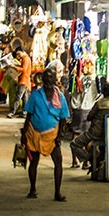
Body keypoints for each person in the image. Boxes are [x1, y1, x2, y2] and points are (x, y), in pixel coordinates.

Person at [22, 67, 70, 201]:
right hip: (35, 133)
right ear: (42, 79)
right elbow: (29, 115)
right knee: (33, 162)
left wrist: (59, 136)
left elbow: (63, 118)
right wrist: (24, 133)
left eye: (51, 77)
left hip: (52, 135)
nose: (48, 80)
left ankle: (57, 193)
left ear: (55, 79)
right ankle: (32, 189)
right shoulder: (35, 95)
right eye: (46, 77)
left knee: (58, 162)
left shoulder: (60, 97)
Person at [70, 81, 109, 171]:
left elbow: (89, 117)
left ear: (103, 92)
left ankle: (89, 158)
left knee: (74, 144)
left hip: (95, 133)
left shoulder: (99, 103)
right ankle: (97, 160)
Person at [9, 42, 32, 119]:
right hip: (25, 80)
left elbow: (23, 69)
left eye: (19, 53)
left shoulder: (26, 59)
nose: (18, 55)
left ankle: (12, 112)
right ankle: (24, 113)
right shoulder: (25, 58)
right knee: (24, 98)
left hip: (23, 80)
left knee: (18, 97)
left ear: (22, 51)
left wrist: (14, 67)